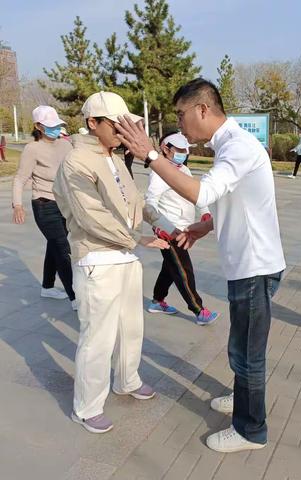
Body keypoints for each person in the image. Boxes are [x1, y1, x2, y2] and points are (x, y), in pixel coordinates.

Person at [116, 78, 286, 453]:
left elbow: (201, 192)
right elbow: (233, 200)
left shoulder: (239, 147)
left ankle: (250, 430)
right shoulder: (230, 145)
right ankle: (242, 399)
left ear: (202, 109)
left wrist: (150, 156)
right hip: (246, 263)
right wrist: (203, 226)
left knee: (248, 352)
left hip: (255, 266)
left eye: (181, 114)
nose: (179, 123)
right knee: (239, 344)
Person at [53, 91, 169, 434]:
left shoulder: (115, 158)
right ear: (93, 123)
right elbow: (91, 217)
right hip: (97, 258)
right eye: (116, 124)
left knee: (131, 326)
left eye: (126, 123)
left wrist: (161, 222)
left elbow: (134, 200)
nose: (123, 130)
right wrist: (137, 239)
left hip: (125, 257)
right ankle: (86, 407)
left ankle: (128, 379)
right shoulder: (76, 162)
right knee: (98, 337)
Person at [144, 131, 219, 325]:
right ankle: (198, 309)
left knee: (171, 267)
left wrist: (205, 212)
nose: (184, 153)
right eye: (179, 149)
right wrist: (160, 226)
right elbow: (150, 202)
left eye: (186, 150)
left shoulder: (183, 169)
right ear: (165, 149)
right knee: (183, 270)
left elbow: (195, 192)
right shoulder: (159, 172)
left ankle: (157, 301)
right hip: (170, 230)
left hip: (185, 228)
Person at [12, 106, 76, 308]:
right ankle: (75, 297)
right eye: (50, 126)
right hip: (44, 204)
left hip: (65, 204)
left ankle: (47, 287)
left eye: (57, 125)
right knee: (62, 247)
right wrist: (17, 205)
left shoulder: (66, 145)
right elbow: (20, 179)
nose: (55, 129)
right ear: (38, 126)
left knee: (54, 244)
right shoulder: (32, 149)